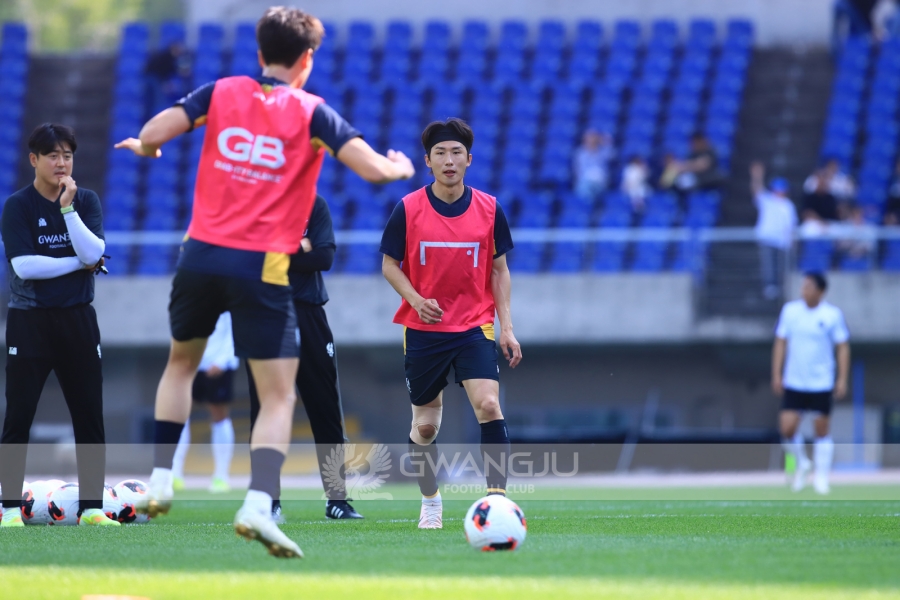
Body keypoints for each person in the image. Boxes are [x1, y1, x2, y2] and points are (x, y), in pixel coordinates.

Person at [115, 6, 414, 558]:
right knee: (278, 396)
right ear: (307, 59)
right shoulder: (311, 110)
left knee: (180, 365)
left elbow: (153, 133)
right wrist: (399, 166)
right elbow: (374, 170)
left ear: (260, 54)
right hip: (260, 267)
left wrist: (148, 148)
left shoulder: (221, 91)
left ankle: (159, 480)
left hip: (199, 256)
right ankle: (257, 504)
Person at [380, 118, 522, 530]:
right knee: (425, 427)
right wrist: (416, 300)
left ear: (469, 160)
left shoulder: (490, 209)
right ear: (427, 162)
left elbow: (500, 270)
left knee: (489, 405)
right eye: (440, 153)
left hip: (474, 325)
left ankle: (497, 503)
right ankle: (430, 501)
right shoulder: (408, 208)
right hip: (424, 330)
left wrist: (507, 327)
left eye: (456, 153)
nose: (449, 160)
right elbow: (389, 265)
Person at [0, 123, 117, 527]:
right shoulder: (18, 205)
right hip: (29, 321)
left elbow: (94, 250)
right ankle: (9, 509)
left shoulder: (85, 200)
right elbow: (25, 267)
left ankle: (92, 509)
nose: (62, 162)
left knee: (89, 416)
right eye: (53, 155)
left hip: (78, 320)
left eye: (67, 155)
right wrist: (80, 264)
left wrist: (68, 210)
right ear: (34, 159)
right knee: (18, 417)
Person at [247, 194, 363, 522]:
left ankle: (337, 500)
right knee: (264, 409)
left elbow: (324, 257)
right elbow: (249, 258)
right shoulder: (256, 201)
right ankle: (268, 499)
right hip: (266, 314)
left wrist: (275, 253)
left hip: (309, 312)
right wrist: (300, 247)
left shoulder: (314, 204)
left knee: (325, 408)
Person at [772, 273, 850, 495]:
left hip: (821, 381)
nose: (803, 291)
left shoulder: (832, 315)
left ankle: (821, 478)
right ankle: (803, 464)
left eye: (808, 287)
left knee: (821, 430)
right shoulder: (790, 311)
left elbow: (842, 346)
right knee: (787, 429)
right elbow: (780, 342)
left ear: (820, 291)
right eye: (803, 286)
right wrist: (777, 373)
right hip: (795, 380)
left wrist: (842, 378)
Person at [171, 312, 239, 494]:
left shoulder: (228, 302)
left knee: (219, 415)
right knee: (180, 413)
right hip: (191, 363)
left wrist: (223, 361)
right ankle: (175, 473)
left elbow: (236, 328)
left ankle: (221, 476)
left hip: (218, 364)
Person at [750, 161, 798, 300]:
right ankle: (769, 286)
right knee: (768, 264)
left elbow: (792, 225)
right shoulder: (767, 200)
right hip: (767, 238)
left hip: (783, 241)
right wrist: (757, 176)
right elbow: (757, 190)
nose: (779, 191)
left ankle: (783, 288)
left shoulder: (789, 205)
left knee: (783, 266)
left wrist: (792, 242)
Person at [572, 129, 613, 201]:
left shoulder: (603, 152)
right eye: (589, 138)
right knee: (584, 189)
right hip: (585, 181)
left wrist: (602, 140)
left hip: (600, 181)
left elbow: (611, 151)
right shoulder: (580, 153)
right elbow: (578, 170)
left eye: (593, 137)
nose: (591, 140)